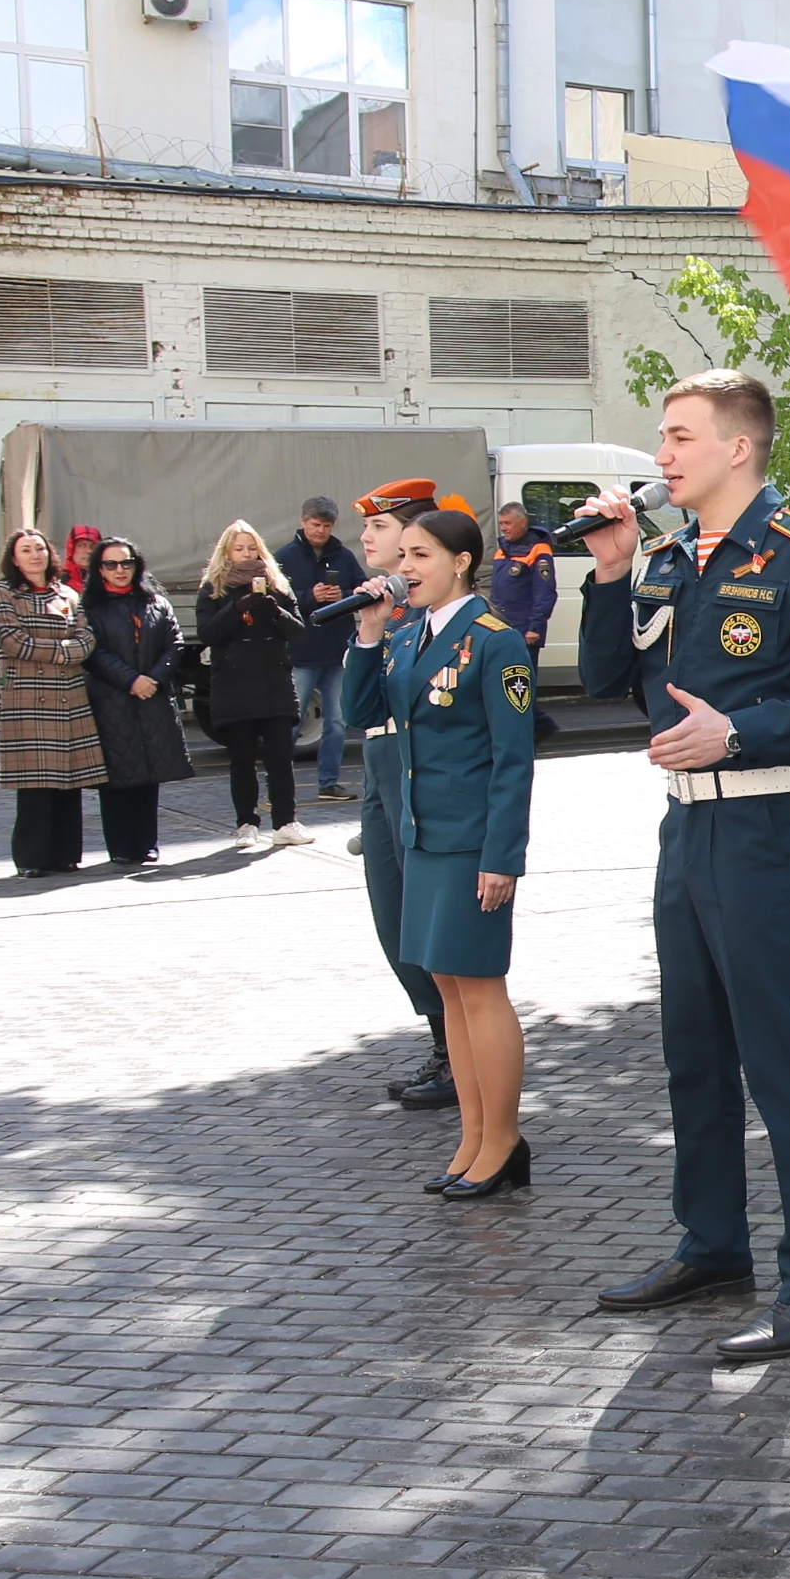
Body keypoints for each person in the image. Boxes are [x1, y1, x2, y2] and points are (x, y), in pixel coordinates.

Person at [574, 371, 790, 1360]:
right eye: (662, 437)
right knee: (693, 1051)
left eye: (677, 436)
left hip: (765, 830)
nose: (660, 455)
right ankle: (711, 1242)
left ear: (738, 447)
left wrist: (739, 733)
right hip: (685, 834)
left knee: (781, 1058)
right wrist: (613, 573)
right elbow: (603, 682)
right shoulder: (664, 559)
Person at [345, 506, 538, 1198]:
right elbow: (360, 711)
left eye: (421, 556)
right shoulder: (406, 638)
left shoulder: (495, 641)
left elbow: (514, 760)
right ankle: (474, 1135)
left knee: (482, 993)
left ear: (461, 561)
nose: (406, 570)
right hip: (423, 838)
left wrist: (502, 856)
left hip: (470, 844)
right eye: (405, 558)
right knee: (451, 995)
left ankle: (505, 1140)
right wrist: (368, 635)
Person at [342, 481, 458, 1111]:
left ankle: (458, 1050)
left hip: (421, 765)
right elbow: (354, 708)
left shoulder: (437, 612)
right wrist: (366, 628)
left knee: (429, 914)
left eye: (380, 528)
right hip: (379, 761)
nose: (367, 538)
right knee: (393, 916)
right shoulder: (382, 607)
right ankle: (440, 1036)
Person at [196, 520, 314, 853]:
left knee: (280, 757)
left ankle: (285, 822)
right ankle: (246, 823)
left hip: (273, 681)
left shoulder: (277, 584)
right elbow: (207, 634)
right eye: (239, 549)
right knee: (242, 759)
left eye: (252, 548)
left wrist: (275, 611)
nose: (247, 555)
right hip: (234, 684)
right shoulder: (213, 587)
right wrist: (236, 608)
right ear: (227, 553)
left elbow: (298, 630)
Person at [0, 530, 100, 873]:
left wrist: (61, 652)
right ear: (14, 559)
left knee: (68, 780)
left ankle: (65, 854)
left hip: (68, 695)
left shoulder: (66, 592)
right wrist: (64, 653)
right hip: (27, 696)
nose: (34, 555)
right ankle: (31, 859)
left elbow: (86, 637)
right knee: (35, 782)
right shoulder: (4, 592)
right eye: (26, 550)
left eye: (39, 548)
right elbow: (13, 641)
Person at [77, 534, 191, 866]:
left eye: (126, 562)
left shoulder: (156, 601)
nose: (120, 570)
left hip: (152, 695)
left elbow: (175, 642)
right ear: (100, 569)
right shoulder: (91, 608)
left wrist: (154, 678)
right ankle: (121, 846)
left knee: (148, 772)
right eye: (111, 564)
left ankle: (147, 842)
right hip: (112, 697)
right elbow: (93, 652)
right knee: (116, 775)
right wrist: (131, 679)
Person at [276, 496, 364, 800]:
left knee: (337, 721)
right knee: (291, 719)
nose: (321, 531)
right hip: (301, 651)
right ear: (303, 522)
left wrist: (345, 594)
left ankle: (329, 782)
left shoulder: (344, 556)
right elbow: (276, 602)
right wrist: (309, 596)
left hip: (337, 650)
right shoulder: (284, 557)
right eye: (316, 524)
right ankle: (278, 781)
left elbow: (364, 591)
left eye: (326, 526)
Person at [487, 499, 564, 741]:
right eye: (501, 524)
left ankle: (534, 730)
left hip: (523, 632)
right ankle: (535, 727)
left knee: (520, 684)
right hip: (502, 629)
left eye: (508, 523)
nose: (504, 528)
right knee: (507, 682)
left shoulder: (538, 550)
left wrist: (535, 627)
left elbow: (545, 592)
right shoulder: (502, 550)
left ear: (523, 523)